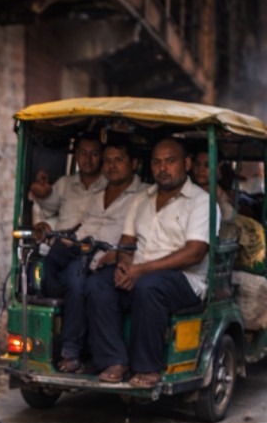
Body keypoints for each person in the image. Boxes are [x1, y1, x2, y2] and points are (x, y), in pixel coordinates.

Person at [84, 138, 210, 388]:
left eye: (170, 161)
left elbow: (195, 252)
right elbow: (127, 241)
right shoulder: (141, 198)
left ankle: (147, 367)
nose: (163, 168)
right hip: (139, 273)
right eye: (157, 162)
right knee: (97, 283)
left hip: (183, 280)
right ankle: (114, 360)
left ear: (185, 164)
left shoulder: (202, 201)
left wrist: (140, 270)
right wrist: (122, 265)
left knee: (149, 286)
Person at [54, 141, 146, 373]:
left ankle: (80, 353)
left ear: (134, 164)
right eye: (107, 160)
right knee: (54, 268)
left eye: (119, 160)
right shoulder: (99, 193)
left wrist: (118, 255)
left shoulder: (143, 194)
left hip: (118, 261)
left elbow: (142, 237)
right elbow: (87, 229)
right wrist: (69, 239)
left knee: (88, 285)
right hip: (89, 257)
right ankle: (71, 351)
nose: (111, 166)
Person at [28, 134, 106, 372]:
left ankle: (71, 352)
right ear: (77, 155)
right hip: (60, 248)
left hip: (87, 252)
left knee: (76, 283)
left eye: (94, 153)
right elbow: (48, 203)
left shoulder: (107, 184)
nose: (88, 159)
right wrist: (40, 191)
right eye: (83, 153)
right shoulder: (65, 184)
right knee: (38, 279)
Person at [190, 150, 237, 221]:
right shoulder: (188, 192)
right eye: (197, 164)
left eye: (207, 165)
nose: (200, 170)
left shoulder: (225, 203)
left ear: (218, 169)